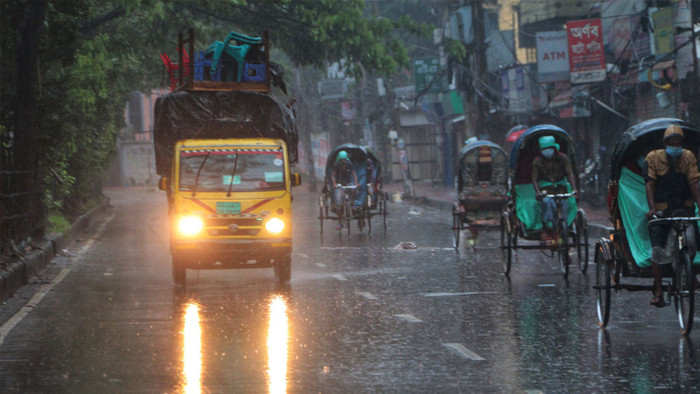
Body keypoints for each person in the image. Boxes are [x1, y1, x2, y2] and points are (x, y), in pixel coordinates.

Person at [645, 125, 700, 307]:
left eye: (678, 144)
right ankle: (659, 290)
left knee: (692, 241)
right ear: (665, 144)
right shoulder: (653, 158)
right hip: (662, 210)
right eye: (671, 143)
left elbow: (694, 184)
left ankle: (689, 272)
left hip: (684, 209)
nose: (675, 147)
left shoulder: (688, 157)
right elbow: (650, 184)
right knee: (658, 249)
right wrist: (652, 209)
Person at [532, 135, 578, 238]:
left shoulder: (562, 158)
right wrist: (537, 191)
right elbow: (535, 178)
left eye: (549, 148)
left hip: (561, 187)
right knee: (547, 204)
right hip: (546, 190)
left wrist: (574, 188)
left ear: (554, 148)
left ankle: (566, 225)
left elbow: (569, 173)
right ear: (541, 150)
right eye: (544, 149)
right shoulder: (537, 161)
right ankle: (547, 226)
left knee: (567, 205)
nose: (547, 151)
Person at [331, 150, 358, 230]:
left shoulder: (349, 164)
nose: (343, 161)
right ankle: (340, 223)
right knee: (338, 204)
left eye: (344, 159)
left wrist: (356, 183)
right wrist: (334, 184)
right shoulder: (336, 164)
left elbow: (353, 173)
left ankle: (353, 205)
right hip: (340, 184)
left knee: (354, 191)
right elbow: (333, 175)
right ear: (339, 159)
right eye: (342, 159)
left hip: (348, 183)